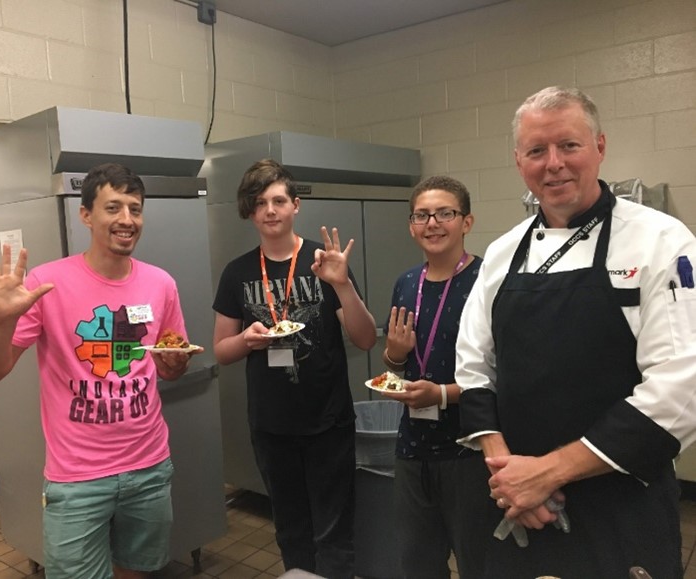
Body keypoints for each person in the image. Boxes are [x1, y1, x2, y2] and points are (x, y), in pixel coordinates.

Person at [455, 86, 696, 578]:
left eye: (569, 145)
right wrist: (509, 478)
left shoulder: (661, 240)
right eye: (536, 151)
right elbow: (473, 365)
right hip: (518, 505)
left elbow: (682, 386)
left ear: (600, 147)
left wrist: (547, 473)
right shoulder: (502, 254)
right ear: (519, 161)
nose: (554, 164)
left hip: (622, 502)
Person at [0, 163, 199, 579]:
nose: (127, 219)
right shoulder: (47, 282)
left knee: (137, 570)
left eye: (136, 208)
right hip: (77, 476)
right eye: (113, 207)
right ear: (86, 215)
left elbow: (168, 368)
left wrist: (175, 365)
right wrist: (3, 322)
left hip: (149, 465)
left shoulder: (161, 283)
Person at [212, 158, 377, 579]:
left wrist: (341, 283)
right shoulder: (238, 273)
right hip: (271, 426)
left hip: (328, 421)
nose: (270, 209)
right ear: (250, 211)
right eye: (260, 202)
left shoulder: (326, 264)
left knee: (335, 530)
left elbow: (365, 339)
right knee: (291, 529)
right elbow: (221, 350)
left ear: (296, 206)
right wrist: (247, 341)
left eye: (279, 200)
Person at [378, 176, 497, 579]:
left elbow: (505, 375)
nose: (433, 223)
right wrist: (394, 355)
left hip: (470, 451)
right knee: (418, 565)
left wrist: (442, 395)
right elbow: (396, 365)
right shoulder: (405, 283)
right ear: (411, 225)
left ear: (467, 221)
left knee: (477, 563)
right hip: (412, 451)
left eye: (445, 213)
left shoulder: (489, 282)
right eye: (422, 215)